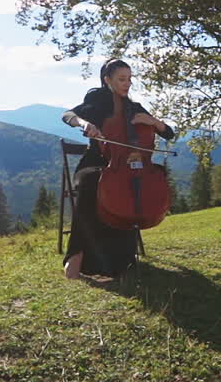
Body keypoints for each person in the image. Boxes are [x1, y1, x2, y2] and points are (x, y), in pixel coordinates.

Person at [60, 58, 176, 279]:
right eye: (122, 79)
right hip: (96, 163)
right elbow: (68, 115)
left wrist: (153, 122)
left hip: (130, 168)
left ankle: (121, 258)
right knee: (91, 182)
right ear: (107, 80)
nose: (127, 84)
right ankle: (76, 256)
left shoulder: (133, 107)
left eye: (130, 79)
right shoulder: (96, 101)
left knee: (137, 187)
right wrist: (85, 124)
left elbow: (168, 133)